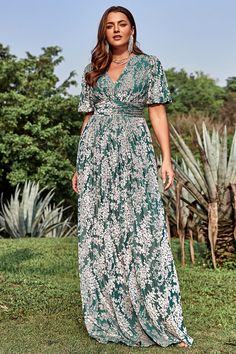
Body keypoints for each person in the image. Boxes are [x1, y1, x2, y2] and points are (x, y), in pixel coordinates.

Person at [72, 5, 194, 349]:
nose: (116, 30)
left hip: (135, 152)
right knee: (102, 230)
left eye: (122, 24)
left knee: (141, 228)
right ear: (103, 32)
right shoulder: (91, 70)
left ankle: (155, 311)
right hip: (96, 156)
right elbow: (87, 120)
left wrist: (166, 159)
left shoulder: (149, 66)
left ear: (132, 29)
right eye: (109, 25)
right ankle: (109, 310)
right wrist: (80, 165)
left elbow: (157, 111)